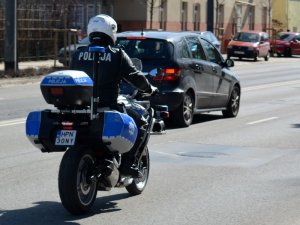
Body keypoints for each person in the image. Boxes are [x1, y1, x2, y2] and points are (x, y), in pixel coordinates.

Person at [70, 14, 158, 178]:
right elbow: (135, 76)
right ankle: (128, 164)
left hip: (81, 108)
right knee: (142, 120)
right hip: (108, 106)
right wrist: (149, 88)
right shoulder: (117, 54)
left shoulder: (78, 54)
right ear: (111, 32)